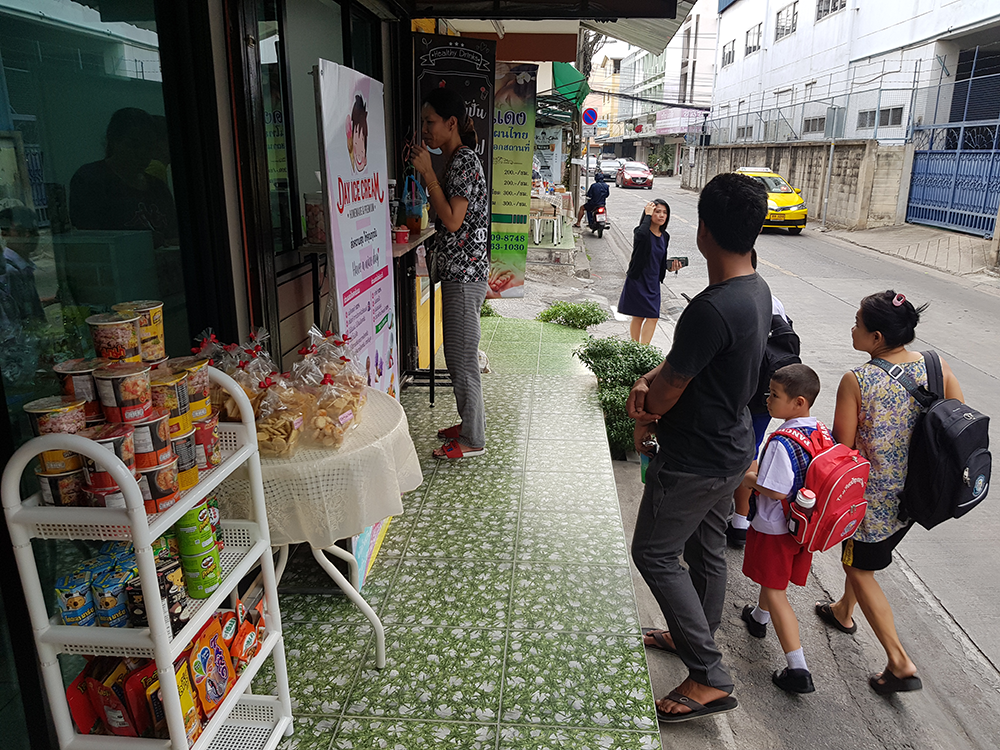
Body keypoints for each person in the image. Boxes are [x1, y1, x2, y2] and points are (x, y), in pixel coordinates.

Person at [628, 173, 771, 723]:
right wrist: (654, 378)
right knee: (706, 551)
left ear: (703, 231)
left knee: (655, 553)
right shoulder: (755, 290)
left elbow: (669, 388)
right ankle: (695, 631)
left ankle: (709, 674)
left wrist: (645, 402)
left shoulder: (711, 307)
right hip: (730, 449)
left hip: (693, 457)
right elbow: (687, 367)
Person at [817, 290, 963, 695]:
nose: (853, 328)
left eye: (858, 323)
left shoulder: (858, 380)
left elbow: (843, 451)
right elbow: (956, 424)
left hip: (872, 503)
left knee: (858, 567)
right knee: (865, 556)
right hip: (918, 497)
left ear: (876, 337)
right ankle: (844, 611)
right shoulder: (937, 366)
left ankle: (899, 661)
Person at [411, 87, 489, 460]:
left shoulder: (463, 162)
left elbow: (453, 220)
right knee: (459, 355)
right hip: (463, 272)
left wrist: (427, 174)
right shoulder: (461, 159)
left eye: (430, 122)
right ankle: (468, 423)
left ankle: (473, 439)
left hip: (464, 273)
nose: (425, 130)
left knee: (460, 358)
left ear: (451, 123)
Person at [739, 364, 823, 695]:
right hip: (803, 525)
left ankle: (798, 667)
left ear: (798, 402)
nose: (768, 400)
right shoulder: (818, 430)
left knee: (777, 591)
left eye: (775, 395)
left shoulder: (781, 440)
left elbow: (773, 489)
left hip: (774, 525)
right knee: (773, 579)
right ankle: (758, 619)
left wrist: (743, 476)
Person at [727, 250, 800, 548]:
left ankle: (730, 517)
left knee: (733, 453)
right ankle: (740, 523)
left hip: (737, 393)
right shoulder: (771, 298)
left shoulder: (730, 299)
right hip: (767, 396)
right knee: (751, 451)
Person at [70, 107, 178, 248]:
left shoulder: (158, 188)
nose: (143, 154)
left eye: (149, 147)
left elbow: (174, 234)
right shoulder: (90, 180)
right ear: (114, 140)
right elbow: (92, 242)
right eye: (134, 145)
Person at [618, 200, 678, 344]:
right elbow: (641, 237)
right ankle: (634, 348)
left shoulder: (665, 236)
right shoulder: (641, 231)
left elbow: (660, 261)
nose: (661, 215)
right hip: (638, 280)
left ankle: (643, 348)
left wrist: (671, 267)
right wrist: (647, 215)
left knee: (653, 317)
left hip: (653, 283)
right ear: (649, 213)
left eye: (664, 212)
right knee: (638, 317)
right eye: (657, 212)